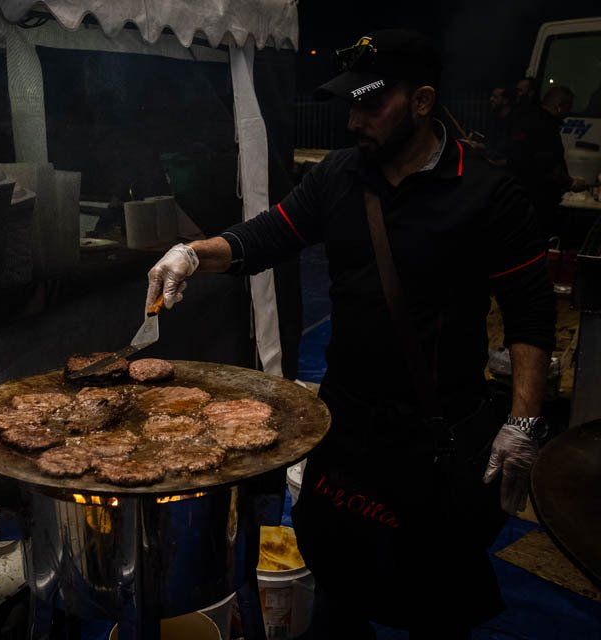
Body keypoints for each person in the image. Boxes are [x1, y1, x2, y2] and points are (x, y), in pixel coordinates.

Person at [145, 30, 555, 638]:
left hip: (435, 435)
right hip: (346, 424)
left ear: (421, 102)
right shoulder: (339, 175)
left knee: (435, 602)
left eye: (370, 104)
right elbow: (264, 237)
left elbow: (531, 317)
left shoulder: (489, 190)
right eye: (350, 104)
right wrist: (190, 254)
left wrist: (522, 423)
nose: (354, 119)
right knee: (337, 584)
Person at [504, 85, 588, 240]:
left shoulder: (526, 117)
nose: (568, 113)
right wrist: (571, 183)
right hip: (538, 199)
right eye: (568, 108)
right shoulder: (547, 126)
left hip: (516, 194)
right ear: (559, 106)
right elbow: (548, 165)